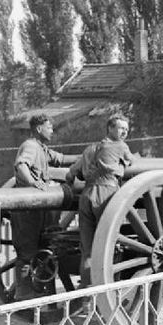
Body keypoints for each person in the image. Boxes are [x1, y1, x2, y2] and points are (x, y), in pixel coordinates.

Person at [13, 114, 79, 300]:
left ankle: (36, 290)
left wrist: (89, 154)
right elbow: (21, 165)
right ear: (39, 129)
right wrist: (33, 182)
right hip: (27, 207)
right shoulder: (31, 146)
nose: (52, 130)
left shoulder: (41, 148)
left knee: (40, 247)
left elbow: (62, 158)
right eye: (49, 127)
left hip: (37, 207)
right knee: (27, 251)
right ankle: (23, 293)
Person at [66, 114, 134, 288]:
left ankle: (87, 299)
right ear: (110, 128)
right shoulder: (121, 146)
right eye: (121, 128)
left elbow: (71, 173)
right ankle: (108, 295)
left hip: (86, 196)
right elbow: (132, 162)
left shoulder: (90, 149)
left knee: (87, 251)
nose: (125, 132)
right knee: (110, 246)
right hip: (107, 193)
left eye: (126, 129)